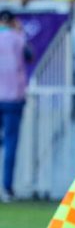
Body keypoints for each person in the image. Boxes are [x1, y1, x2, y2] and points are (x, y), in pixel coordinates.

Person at [0, 11, 32, 203]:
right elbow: (30, 56)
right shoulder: (18, 37)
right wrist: (20, 32)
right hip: (13, 98)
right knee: (11, 143)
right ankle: (7, 189)